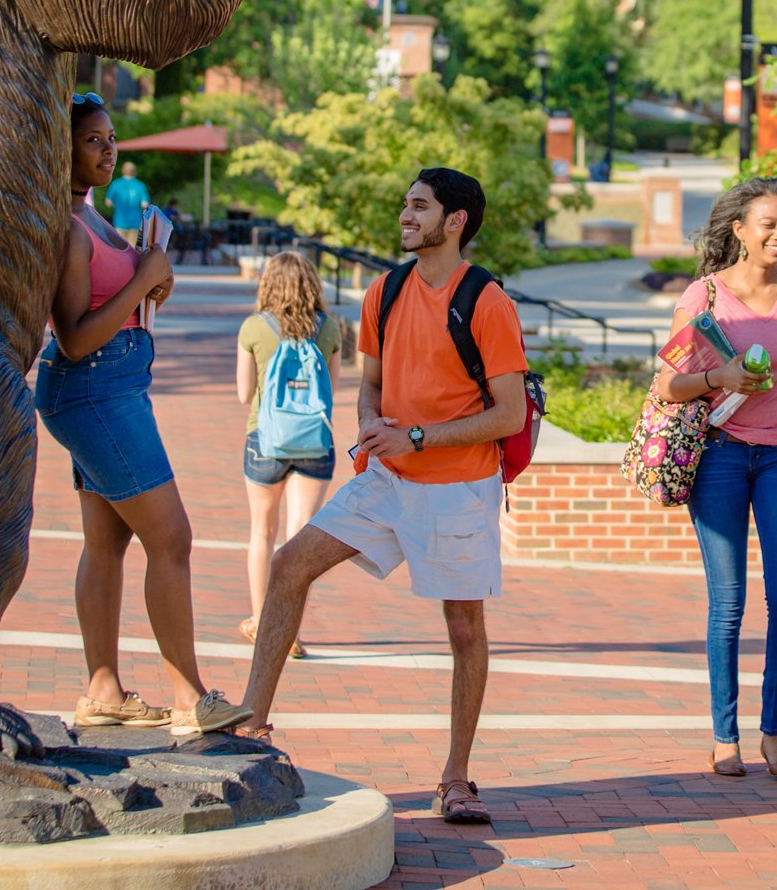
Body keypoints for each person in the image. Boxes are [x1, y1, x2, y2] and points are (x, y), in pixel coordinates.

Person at [238, 168, 527, 825]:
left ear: (455, 223)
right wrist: (373, 423)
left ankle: (455, 778)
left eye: (419, 207)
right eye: (406, 204)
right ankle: (252, 727)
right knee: (288, 566)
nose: (406, 214)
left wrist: (419, 437)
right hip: (386, 479)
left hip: (458, 488)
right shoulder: (383, 292)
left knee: (463, 628)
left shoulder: (487, 302)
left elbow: (509, 413)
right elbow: (371, 383)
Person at [36, 93, 249, 737]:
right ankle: (190, 697)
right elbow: (72, 336)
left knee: (108, 541)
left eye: (110, 138)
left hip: (113, 384)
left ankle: (103, 690)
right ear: (61, 149)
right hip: (94, 388)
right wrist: (139, 280)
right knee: (172, 537)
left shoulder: (91, 216)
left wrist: (151, 281)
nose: (109, 150)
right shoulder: (69, 230)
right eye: (94, 140)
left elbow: (118, 301)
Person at [651, 176, 777, 782]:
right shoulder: (701, 298)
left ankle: (773, 735)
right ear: (739, 232)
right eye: (769, 225)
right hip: (721, 456)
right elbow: (665, 385)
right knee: (728, 603)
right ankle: (724, 736)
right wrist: (719, 377)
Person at [236, 252, 344, 657]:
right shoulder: (329, 327)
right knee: (299, 538)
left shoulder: (253, 327)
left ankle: (263, 620)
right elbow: (329, 395)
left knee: (261, 532)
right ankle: (290, 630)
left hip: (265, 440)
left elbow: (244, 393)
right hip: (314, 442)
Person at [105, 162, 149, 246]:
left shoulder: (115, 184)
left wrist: (118, 205)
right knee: (131, 248)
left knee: (120, 247)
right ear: (134, 171)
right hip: (135, 222)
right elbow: (145, 204)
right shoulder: (140, 185)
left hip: (119, 221)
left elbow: (108, 203)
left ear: (122, 170)